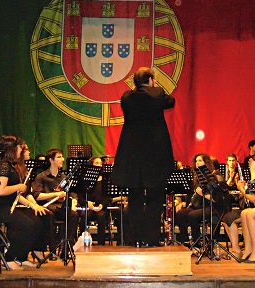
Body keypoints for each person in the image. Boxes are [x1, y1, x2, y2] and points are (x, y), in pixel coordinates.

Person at [111, 67, 175, 247]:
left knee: (135, 199)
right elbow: (171, 101)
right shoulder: (158, 95)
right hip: (155, 155)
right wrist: (155, 85)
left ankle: (136, 238)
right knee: (155, 199)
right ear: (150, 80)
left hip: (133, 157)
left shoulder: (126, 97)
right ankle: (152, 238)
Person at [0, 135, 49, 270]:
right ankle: (9, 258)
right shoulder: (3, 166)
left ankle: (22, 257)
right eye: (19, 147)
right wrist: (18, 187)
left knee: (36, 222)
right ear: (11, 149)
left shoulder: (11, 166)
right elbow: (0, 191)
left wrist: (32, 205)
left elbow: (16, 196)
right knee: (27, 226)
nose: (21, 150)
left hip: (8, 206)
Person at [31, 148, 80, 258]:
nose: (62, 159)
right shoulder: (41, 177)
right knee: (49, 216)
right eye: (59, 157)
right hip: (47, 207)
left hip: (60, 207)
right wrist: (55, 194)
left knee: (73, 215)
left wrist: (73, 199)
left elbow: (71, 193)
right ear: (51, 160)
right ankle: (52, 249)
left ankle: (66, 250)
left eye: (62, 157)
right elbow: (37, 196)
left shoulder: (63, 178)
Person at [175, 153, 229, 246]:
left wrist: (203, 194)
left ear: (206, 162)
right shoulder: (196, 177)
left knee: (192, 215)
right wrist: (184, 203)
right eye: (196, 161)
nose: (197, 163)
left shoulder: (215, 176)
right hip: (198, 206)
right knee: (180, 214)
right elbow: (191, 195)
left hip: (212, 207)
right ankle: (185, 241)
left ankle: (197, 243)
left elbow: (219, 199)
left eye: (200, 160)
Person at [77, 156, 111, 245]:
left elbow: (108, 197)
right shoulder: (85, 180)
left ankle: (101, 243)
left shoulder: (105, 179)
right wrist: (87, 203)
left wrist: (102, 205)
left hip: (101, 207)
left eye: (100, 163)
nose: (99, 165)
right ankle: (82, 240)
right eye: (96, 163)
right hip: (88, 206)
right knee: (85, 215)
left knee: (101, 216)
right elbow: (80, 196)